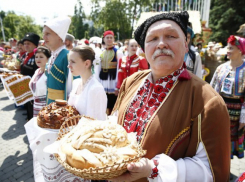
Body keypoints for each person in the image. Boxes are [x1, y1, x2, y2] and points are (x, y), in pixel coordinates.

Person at [111, 11, 230, 182]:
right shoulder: (131, 82)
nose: (161, 44)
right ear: (144, 50)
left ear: (186, 45)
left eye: (171, 36)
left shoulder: (207, 100)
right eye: (152, 39)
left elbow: (212, 171)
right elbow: (114, 123)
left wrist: (153, 169)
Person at [211, 35, 245, 160]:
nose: (227, 51)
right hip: (220, 109)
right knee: (218, 138)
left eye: (231, 48)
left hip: (236, 111)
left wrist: (243, 117)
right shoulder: (221, 68)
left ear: (240, 50)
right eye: (227, 48)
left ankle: (226, 167)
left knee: (230, 141)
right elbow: (212, 89)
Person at [68, 45, 107, 120]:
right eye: (69, 61)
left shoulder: (96, 89)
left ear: (87, 63)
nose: (69, 66)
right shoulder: (76, 83)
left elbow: (97, 124)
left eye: (73, 62)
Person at [43, 16, 72, 104]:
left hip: (61, 106)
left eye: (48, 34)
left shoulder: (67, 56)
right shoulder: (52, 56)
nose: (44, 37)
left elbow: (72, 86)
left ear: (59, 36)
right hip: (50, 103)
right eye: (44, 34)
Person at [99, 30, 123, 114]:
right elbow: (98, 68)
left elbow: (119, 70)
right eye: (107, 37)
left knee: (112, 102)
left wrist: (117, 85)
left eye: (111, 38)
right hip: (103, 81)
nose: (109, 39)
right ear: (104, 39)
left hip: (113, 82)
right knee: (103, 103)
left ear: (113, 39)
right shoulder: (101, 52)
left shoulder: (118, 52)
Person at [21, 32, 40, 120]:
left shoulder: (38, 56)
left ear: (35, 45)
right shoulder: (25, 55)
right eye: (24, 44)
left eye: (28, 43)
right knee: (28, 106)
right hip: (26, 86)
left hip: (34, 87)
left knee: (33, 109)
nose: (26, 46)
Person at [29, 46, 51, 117]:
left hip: (46, 105)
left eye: (41, 57)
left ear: (48, 59)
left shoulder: (49, 72)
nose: (38, 59)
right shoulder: (37, 71)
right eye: (36, 57)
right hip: (36, 105)